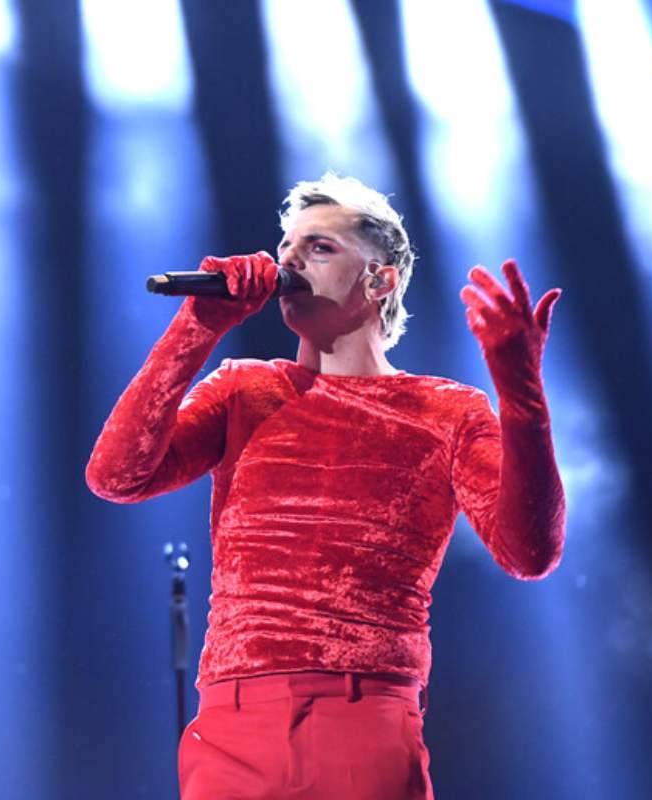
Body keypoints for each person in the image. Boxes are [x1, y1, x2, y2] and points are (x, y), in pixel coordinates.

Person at [85, 172, 566, 800]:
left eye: (319, 248)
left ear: (380, 277)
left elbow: (529, 553)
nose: (289, 261)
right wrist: (196, 327)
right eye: (286, 249)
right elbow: (115, 476)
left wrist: (521, 397)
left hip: (362, 719)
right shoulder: (244, 389)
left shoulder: (447, 411)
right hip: (232, 725)